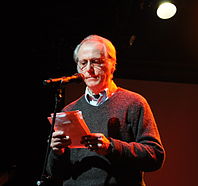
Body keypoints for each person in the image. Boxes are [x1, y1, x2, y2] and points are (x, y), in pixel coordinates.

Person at [46, 35, 165, 186]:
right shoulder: (69, 110)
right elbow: (57, 173)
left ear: (113, 65)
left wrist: (111, 147)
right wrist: (57, 152)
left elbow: (154, 156)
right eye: (83, 63)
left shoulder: (134, 103)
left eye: (96, 62)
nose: (88, 69)